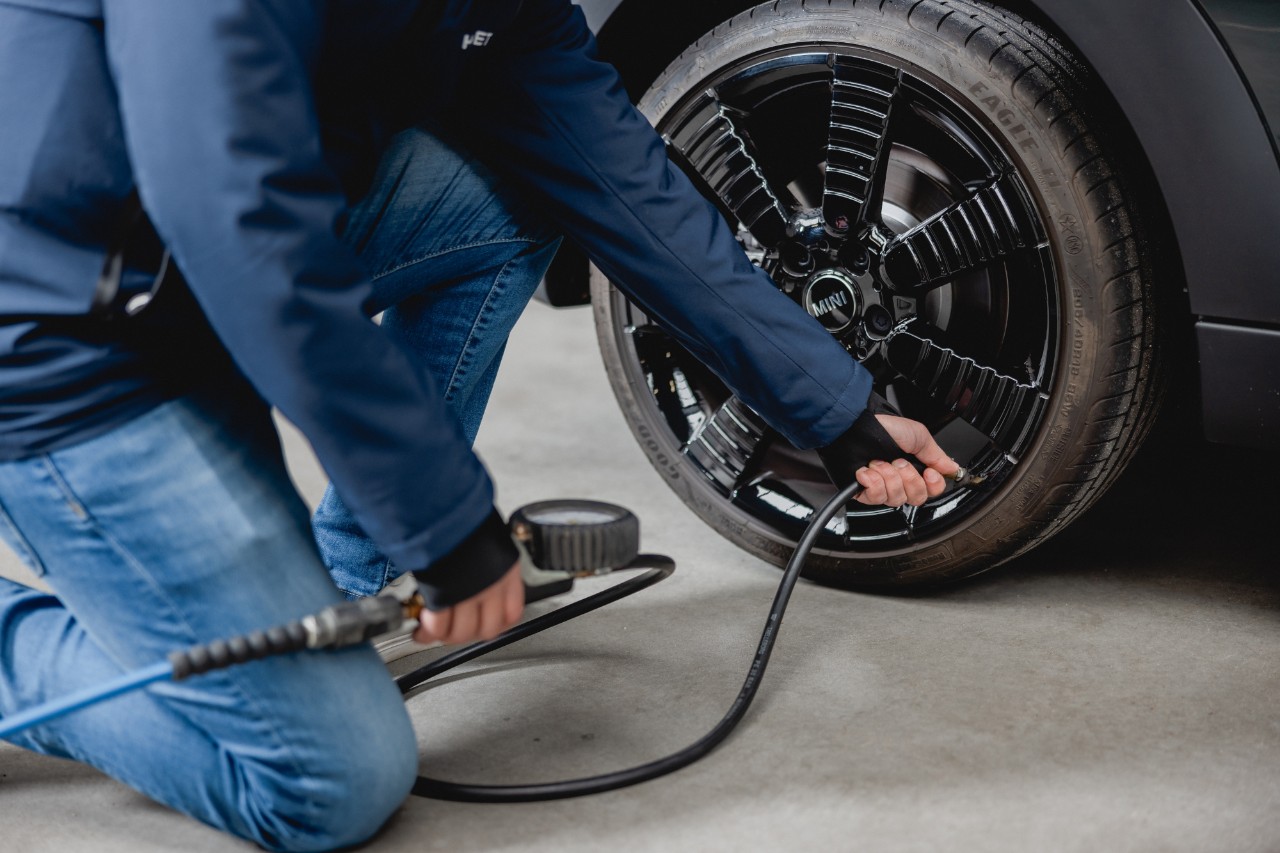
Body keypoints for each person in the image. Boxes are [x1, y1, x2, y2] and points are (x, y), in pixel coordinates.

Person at [0, 1, 959, 849]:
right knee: (331, 778)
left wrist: (832, 406)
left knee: (518, 190)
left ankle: (342, 584)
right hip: (63, 338)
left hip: (196, 274)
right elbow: (232, 212)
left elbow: (611, 173)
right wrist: (445, 522)